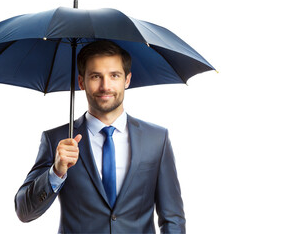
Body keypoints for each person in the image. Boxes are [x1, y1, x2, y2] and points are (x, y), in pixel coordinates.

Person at [15, 40, 185, 233]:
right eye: (96, 76)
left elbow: (172, 219)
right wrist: (56, 172)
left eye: (114, 75)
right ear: (81, 82)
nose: (105, 86)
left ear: (127, 80)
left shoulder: (157, 139)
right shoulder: (57, 140)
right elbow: (24, 211)